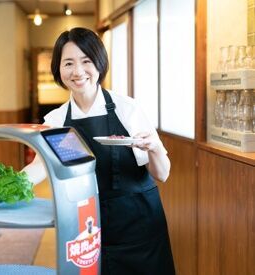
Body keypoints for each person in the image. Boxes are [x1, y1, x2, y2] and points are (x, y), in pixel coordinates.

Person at [22, 27, 175, 275]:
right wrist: (6, 187)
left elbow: (163, 173)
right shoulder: (58, 120)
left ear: (99, 64)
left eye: (86, 61)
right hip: (87, 231)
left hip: (140, 228)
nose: (78, 71)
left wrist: (155, 147)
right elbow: (40, 167)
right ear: (58, 70)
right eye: (68, 63)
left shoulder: (127, 109)